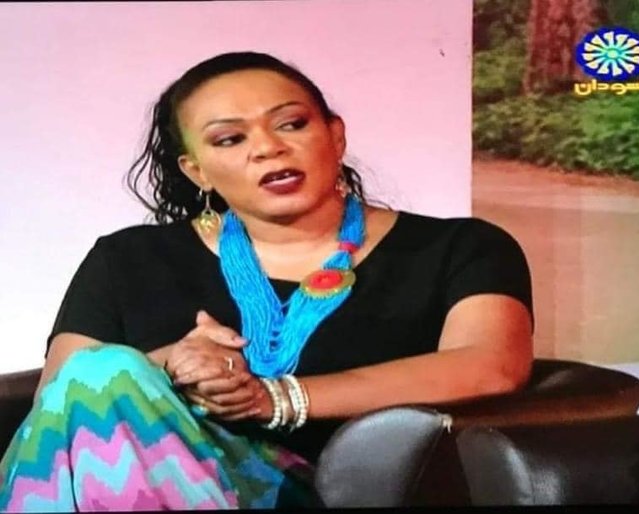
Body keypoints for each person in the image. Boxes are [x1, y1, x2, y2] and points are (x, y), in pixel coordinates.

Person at [0, 51, 533, 510]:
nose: (267, 148)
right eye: (230, 139)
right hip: (127, 484)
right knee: (101, 373)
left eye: (292, 124)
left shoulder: (461, 247)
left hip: (323, 492)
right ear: (197, 171)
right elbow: (60, 401)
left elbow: (491, 363)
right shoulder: (127, 258)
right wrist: (173, 365)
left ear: (335, 136)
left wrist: (276, 398)